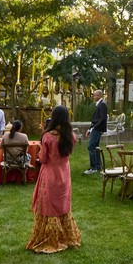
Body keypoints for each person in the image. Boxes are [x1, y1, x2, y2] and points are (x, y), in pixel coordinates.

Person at [26, 104, 82, 253]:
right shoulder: (71, 136)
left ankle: (50, 238)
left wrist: (39, 150)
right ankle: (66, 236)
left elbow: (43, 159)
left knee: (49, 205)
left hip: (50, 174)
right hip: (64, 173)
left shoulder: (48, 136)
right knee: (62, 204)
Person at [84, 89, 107, 175]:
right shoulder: (99, 105)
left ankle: (93, 167)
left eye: (95, 95)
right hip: (95, 128)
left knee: (91, 147)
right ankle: (98, 166)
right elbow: (95, 120)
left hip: (97, 129)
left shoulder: (102, 105)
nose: (93, 97)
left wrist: (94, 128)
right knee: (95, 147)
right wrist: (90, 129)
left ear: (99, 96)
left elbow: (102, 119)